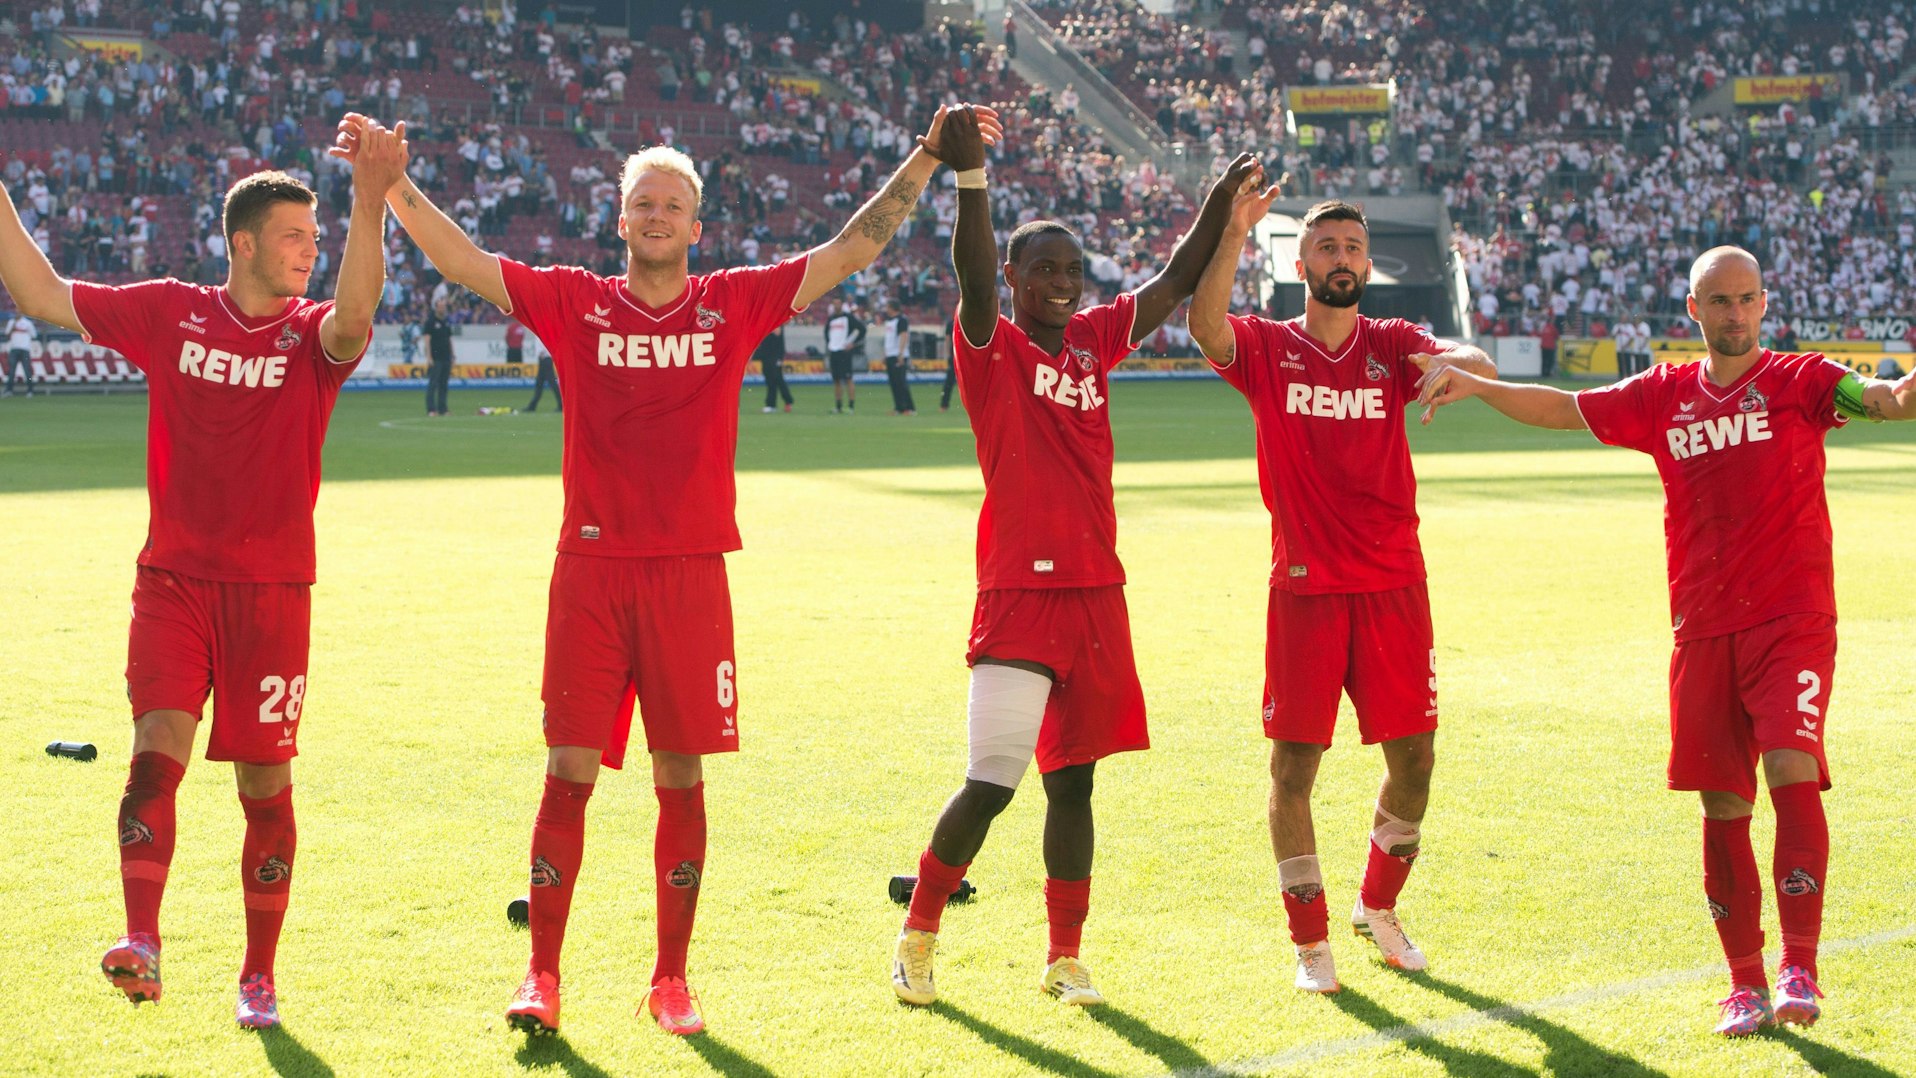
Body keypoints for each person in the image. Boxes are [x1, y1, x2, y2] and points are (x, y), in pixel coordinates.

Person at [334, 104, 1001, 1037]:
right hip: (593, 572)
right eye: (641, 202)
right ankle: (541, 975)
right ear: (620, 220)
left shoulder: (730, 303)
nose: (656, 215)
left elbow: (853, 248)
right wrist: (391, 182)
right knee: (568, 771)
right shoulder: (575, 300)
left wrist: (930, 155)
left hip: (690, 574)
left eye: (673, 204)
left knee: (680, 776)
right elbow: (463, 262)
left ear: (697, 226)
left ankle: (672, 980)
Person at [1415, 246, 1916, 1036]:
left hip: (1793, 618)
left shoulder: (1803, 381)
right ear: (1694, 310)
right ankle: (1745, 983)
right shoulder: (1662, 396)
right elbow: (1564, 409)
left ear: (1763, 302)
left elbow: (1881, 399)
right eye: (1721, 301)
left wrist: (1902, 392)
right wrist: (1479, 386)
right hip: (1703, 625)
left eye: (1749, 299)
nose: (1737, 314)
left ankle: (1799, 968)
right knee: (1724, 801)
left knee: (1791, 765)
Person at [0, 147, 395, 1027]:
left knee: (264, 786)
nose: (309, 250)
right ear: (244, 244)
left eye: (316, 235)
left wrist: (370, 202)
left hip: (273, 593)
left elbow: (357, 308)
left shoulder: (314, 337)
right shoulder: (171, 314)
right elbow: (40, 294)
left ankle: (259, 974)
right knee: (155, 755)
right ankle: (142, 940)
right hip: (173, 583)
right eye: (295, 236)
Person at [890, 107, 1258, 1009]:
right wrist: (971, 181)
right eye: (1043, 270)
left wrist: (1217, 201)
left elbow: (1174, 280)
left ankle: (1063, 958)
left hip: (1098, 594)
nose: (1061, 284)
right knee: (991, 783)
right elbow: (972, 276)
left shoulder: (1095, 341)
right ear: (1014, 278)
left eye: (1072, 272)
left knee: (1076, 788)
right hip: (1018, 593)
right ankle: (919, 937)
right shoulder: (993, 346)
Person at [1187, 190, 1496, 994]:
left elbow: (1483, 365)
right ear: (1302, 265)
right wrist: (1231, 234)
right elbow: (1206, 328)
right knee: (1294, 769)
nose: (1342, 260)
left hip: (1395, 584)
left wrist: (1454, 371)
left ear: (1368, 264)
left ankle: (1378, 907)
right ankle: (1309, 939)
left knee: (1417, 761)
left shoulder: (1394, 346)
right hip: (1306, 590)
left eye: (1354, 249)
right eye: (1327, 248)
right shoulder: (1267, 348)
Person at [825, 299, 866, 412]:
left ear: (842, 305)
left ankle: (851, 406)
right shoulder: (831, 319)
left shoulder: (848, 317)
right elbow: (826, 333)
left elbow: (862, 329)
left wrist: (853, 343)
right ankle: (838, 406)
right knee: (836, 380)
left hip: (844, 352)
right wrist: (830, 344)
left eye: (838, 303)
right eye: (835, 303)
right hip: (834, 351)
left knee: (848, 378)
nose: (836, 305)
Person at [882, 299, 915, 414]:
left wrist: (901, 353)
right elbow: (889, 339)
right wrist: (885, 354)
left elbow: (903, 336)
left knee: (901, 382)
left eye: (887, 307)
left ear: (892, 308)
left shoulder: (901, 320)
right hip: (890, 354)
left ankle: (909, 408)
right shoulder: (889, 321)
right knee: (894, 383)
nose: (886, 309)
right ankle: (899, 407)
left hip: (898, 355)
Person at [422, 297, 452, 415]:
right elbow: (427, 340)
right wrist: (429, 357)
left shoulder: (446, 321)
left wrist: (453, 354)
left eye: (444, 306)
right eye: (441, 306)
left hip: (446, 356)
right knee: (433, 383)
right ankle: (431, 409)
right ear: (436, 307)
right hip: (435, 357)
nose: (443, 308)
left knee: (444, 384)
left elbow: (449, 338)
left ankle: (443, 409)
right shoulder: (430, 321)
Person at [756, 322, 792, 413]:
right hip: (767, 356)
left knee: (776, 379)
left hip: (773, 356)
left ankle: (779, 402)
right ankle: (777, 403)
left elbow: (777, 332)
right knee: (773, 380)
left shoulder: (775, 322)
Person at [525, 329, 561, 413]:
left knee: (550, 383)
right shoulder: (540, 330)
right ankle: (532, 406)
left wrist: (542, 352)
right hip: (544, 359)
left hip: (545, 358)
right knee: (540, 383)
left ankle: (561, 405)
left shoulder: (542, 331)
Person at [4, 307, 36, 396]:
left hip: (25, 349)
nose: (17, 313)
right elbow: (7, 334)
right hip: (14, 349)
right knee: (11, 371)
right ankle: (9, 390)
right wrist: (13, 326)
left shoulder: (28, 323)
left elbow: (34, 335)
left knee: (27, 370)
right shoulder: (11, 322)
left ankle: (30, 391)